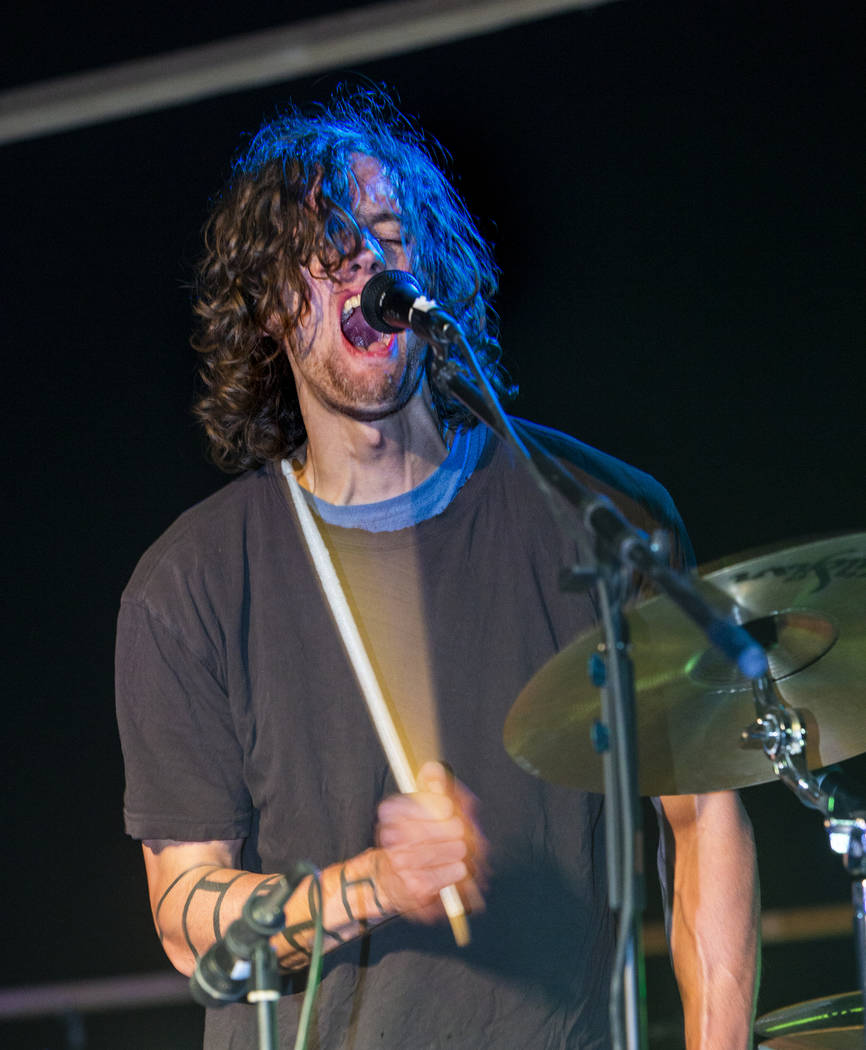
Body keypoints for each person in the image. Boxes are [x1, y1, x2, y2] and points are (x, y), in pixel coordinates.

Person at [115, 87, 759, 1049]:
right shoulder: (191, 588)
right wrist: (376, 883)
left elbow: (705, 810)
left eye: (385, 233)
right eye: (318, 250)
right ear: (267, 313)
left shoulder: (595, 513)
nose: (361, 264)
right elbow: (184, 917)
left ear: (433, 273)